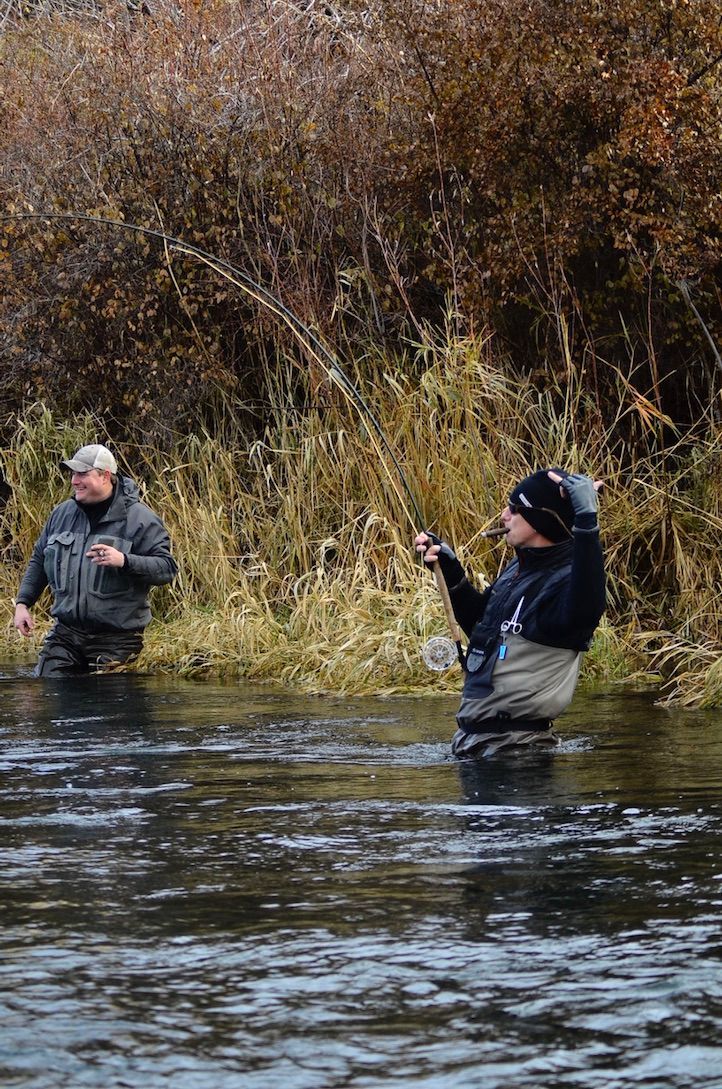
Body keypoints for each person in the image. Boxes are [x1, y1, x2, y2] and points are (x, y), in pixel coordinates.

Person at [415, 469, 605, 757]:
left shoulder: (567, 583)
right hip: (476, 746)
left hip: (519, 753)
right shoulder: (518, 571)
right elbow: (481, 627)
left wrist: (587, 521)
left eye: (516, 509)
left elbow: (587, 606)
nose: (504, 515)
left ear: (542, 518)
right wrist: (453, 575)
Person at [13, 443, 178, 677]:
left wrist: (124, 560)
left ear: (105, 476)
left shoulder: (140, 519)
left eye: (82, 474)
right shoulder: (61, 514)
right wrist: (22, 604)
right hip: (66, 635)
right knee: (48, 686)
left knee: (106, 705)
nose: (74, 481)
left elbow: (166, 569)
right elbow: (39, 560)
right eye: (72, 474)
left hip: (117, 639)